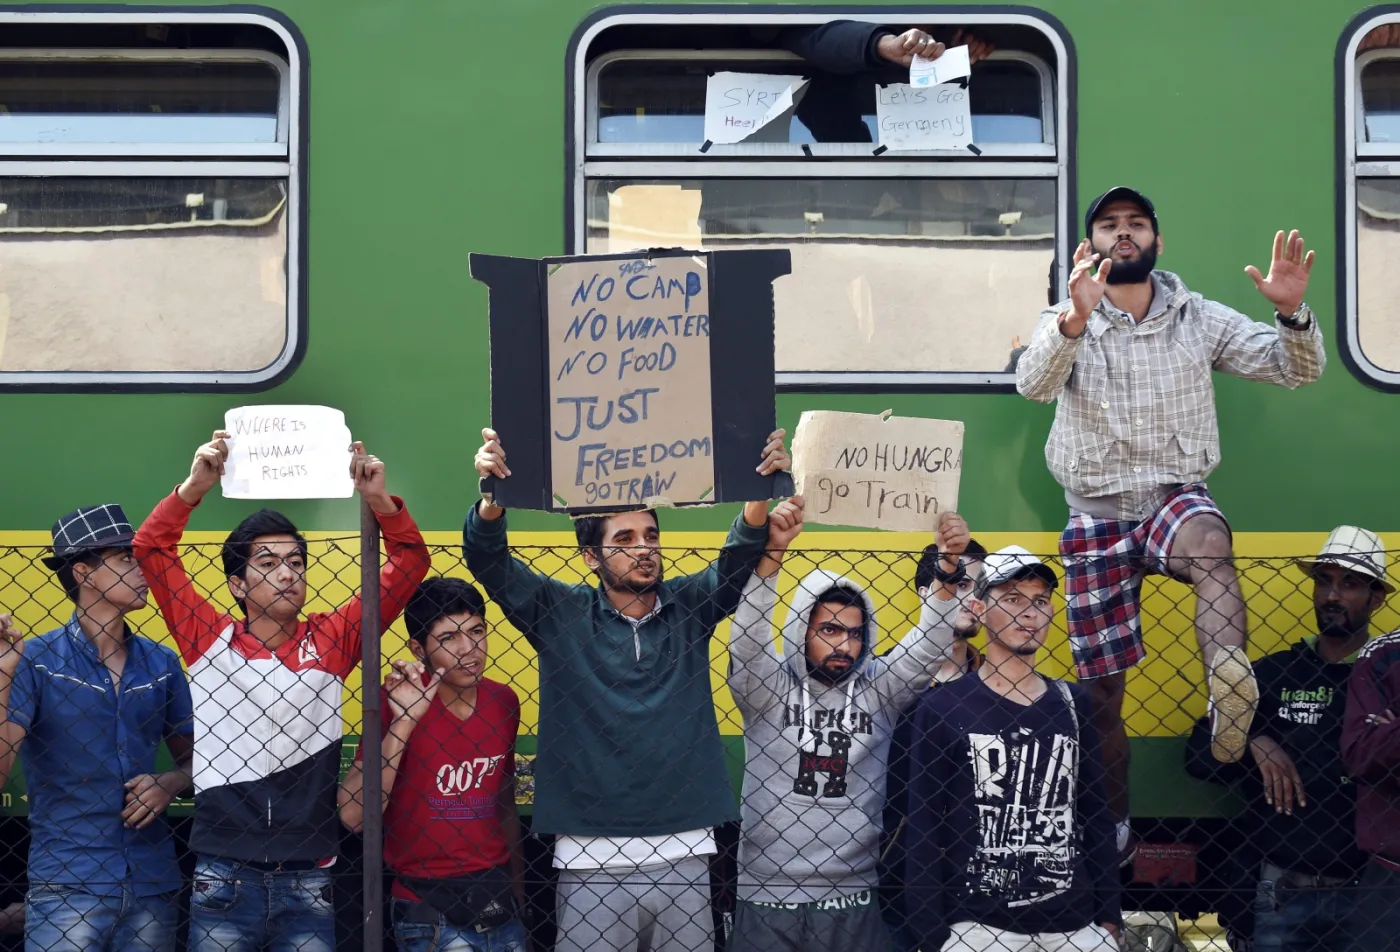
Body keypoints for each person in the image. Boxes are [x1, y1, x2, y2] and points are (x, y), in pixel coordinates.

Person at [1016, 185, 1327, 860]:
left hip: (1170, 501)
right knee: (1102, 695)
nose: (1121, 234)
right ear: (1089, 244)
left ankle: (1228, 694)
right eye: (1107, 225)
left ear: (1158, 242)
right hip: (1096, 514)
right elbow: (1033, 386)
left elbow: (1296, 372)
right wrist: (1074, 320)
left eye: (1135, 224)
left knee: (1212, 544)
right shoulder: (1068, 315)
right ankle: (1117, 827)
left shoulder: (1199, 317)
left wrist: (1292, 313)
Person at [465, 426, 789, 952]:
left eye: (651, 537)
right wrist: (492, 498)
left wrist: (759, 499)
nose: (644, 549)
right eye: (625, 540)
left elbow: (734, 562)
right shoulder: (558, 613)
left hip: (686, 848)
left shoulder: (690, 607)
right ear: (591, 557)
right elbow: (490, 563)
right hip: (588, 855)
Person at [133, 431, 431, 952]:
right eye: (268, 563)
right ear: (237, 584)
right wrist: (195, 487)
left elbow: (409, 562)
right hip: (222, 873)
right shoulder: (208, 637)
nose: (288, 574)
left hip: (309, 875)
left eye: (296, 562)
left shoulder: (334, 637)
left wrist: (380, 501)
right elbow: (152, 549)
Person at [723, 499, 966, 951]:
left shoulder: (879, 690)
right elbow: (749, 640)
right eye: (830, 630)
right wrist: (772, 555)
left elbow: (928, 646)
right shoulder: (768, 689)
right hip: (765, 887)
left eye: (854, 633)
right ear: (801, 630)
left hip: (852, 891)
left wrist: (948, 568)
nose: (845, 645)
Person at [906, 547, 1121, 952]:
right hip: (980, 928)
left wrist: (1109, 917)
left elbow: (1096, 815)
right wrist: (931, 935)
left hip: (1073, 928)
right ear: (980, 608)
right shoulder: (942, 708)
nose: (1030, 613)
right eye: (1012, 599)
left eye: (1040, 601)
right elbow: (924, 827)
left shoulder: (1073, 704)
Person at [0, 506, 193, 952]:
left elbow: (198, 754)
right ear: (84, 573)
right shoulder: (35, 660)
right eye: (126, 558)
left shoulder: (161, 662)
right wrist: (4, 677)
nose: (142, 568)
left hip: (152, 878)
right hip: (68, 878)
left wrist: (172, 782)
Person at [1186, 527, 1387, 952]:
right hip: (1281, 890)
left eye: (1349, 584)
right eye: (1324, 581)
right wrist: (1254, 738)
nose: (1332, 595)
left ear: (1376, 598)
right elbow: (1199, 756)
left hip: (1373, 892)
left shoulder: (1390, 675)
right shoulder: (1274, 674)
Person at [340, 577, 529, 952]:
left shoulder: (503, 701)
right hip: (426, 906)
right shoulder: (395, 704)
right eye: (448, 639)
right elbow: (353, 815)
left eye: (476, 631)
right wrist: (404, 721)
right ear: (418, 648)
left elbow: (504, 804)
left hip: (496, 896)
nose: (468, 649)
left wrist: (520, 895)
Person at [881, 537, 989, 950]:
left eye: (979, 588)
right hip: (897, 871)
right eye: (959, 585)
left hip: (977, 876)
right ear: (926, 592)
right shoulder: (884, 681)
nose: (970, 599)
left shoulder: (998, 686)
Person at [1339, 537, 1400, 951]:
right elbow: (1360, 753)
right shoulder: (1382, 655)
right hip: (1391, 872)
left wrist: (1391, 733)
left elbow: (1380, 749)